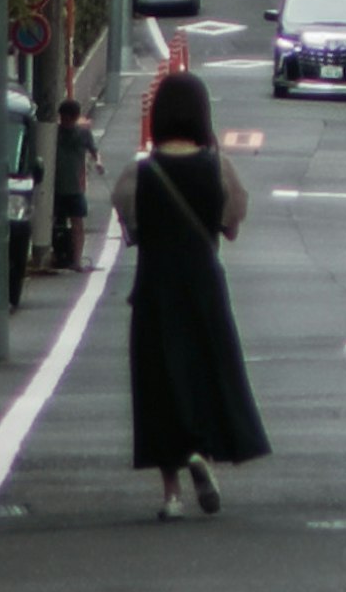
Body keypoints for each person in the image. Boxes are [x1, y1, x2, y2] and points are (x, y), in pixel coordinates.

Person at [116, 66, 271, 521]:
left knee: (158, 386)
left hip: (155, 289)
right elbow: (232, 227)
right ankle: (201, 452)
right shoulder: (219, 168)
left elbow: (133, 232)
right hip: (204, 287)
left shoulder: (137, 174)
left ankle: (171, 495)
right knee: (206, 374)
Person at [50, 85, 94, 273]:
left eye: (70, 118)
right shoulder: (52, 133)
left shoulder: (83, 133)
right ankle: (55, 256)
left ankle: (76, 260)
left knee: (77, 223)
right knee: (52, 223)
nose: (66, 121)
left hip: (75, 187)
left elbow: (94, 151)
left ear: (76, 117)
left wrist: (98, 163)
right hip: (54, 187)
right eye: (64, 117)